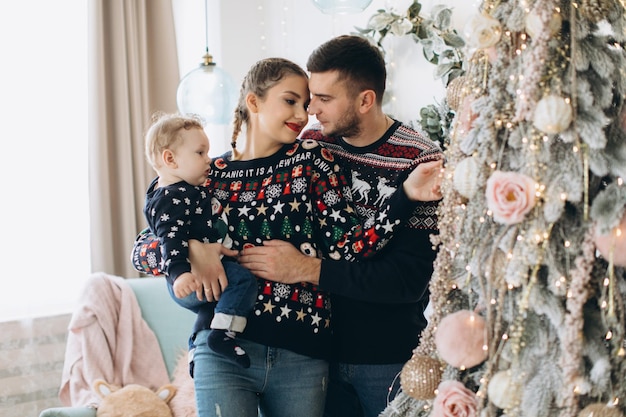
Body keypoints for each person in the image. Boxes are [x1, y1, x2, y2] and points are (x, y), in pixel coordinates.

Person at [131, 57, 440, 417]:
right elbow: (143, 248)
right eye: (290, 101)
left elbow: (351, 247)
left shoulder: (312, 160)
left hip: (303, 352)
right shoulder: (204, 176)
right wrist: (195, 251)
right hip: (223, 351)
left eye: (306, 104)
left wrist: (404, 196)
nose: (304, 114)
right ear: (253, 101)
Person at [238, 35, 444, 417]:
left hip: (386, 358)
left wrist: (307, 269)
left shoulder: (420, 161)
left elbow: (407, 282)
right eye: (308, 96)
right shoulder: (310, 146)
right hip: (311, 355)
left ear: (365, 100)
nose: (310, 110)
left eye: (324, 99)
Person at [141, 112, 257, 368]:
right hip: (186, 274)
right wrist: (180, 272)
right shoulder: (171, 198)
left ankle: (195, 349)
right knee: (242, 281)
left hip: (196, 272)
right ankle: (223, 334)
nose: (208, 160)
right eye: (200, 153)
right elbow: (170, 239)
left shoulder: (175, 190)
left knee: (210, 307)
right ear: (170, 159)